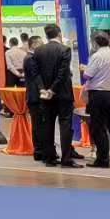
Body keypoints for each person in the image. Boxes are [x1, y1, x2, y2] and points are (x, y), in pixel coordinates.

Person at [25, 25, 78, 167]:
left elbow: (35, 73)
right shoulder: (65, 49)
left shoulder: (38, 51)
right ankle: (66, 159)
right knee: (65, 126)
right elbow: (63, 73)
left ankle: (49, 158)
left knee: (47, 125)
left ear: (46, 36)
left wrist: (43, 89)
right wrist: (52, 90)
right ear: (59, 34)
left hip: (45, 96)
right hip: (63, 94)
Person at [82, 32, 110, 168]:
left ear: (95, 43)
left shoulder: (97, 56)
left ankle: (103, 159)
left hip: (99, 95)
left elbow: (87, 75)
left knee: (98, 128)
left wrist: (84, 68)